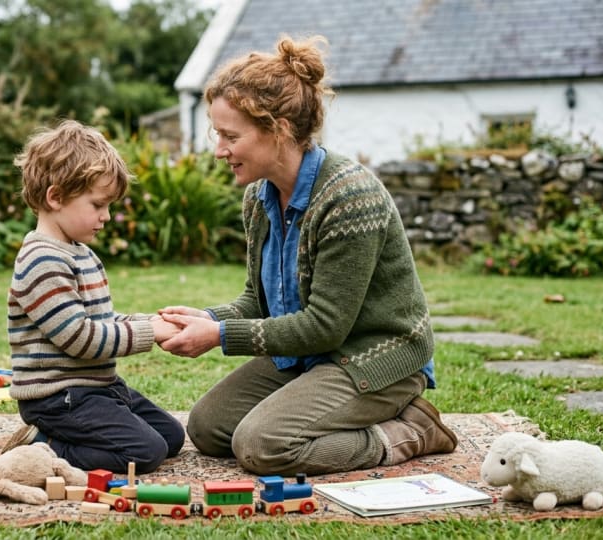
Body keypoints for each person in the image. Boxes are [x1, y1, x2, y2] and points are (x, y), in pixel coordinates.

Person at [158, 35, 458, 477]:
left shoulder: (348, 197)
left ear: (277, 130)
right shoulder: (259, 198)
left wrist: (220, 336)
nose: (219, 150)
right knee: (208, 428)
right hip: (311, 356)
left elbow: (326, 325)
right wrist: (203, 319)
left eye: (229, 136)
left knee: (262, 447)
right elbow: (258, 302)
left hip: (374, 357)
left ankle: (409, 430)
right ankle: (325, 408)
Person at [3, 119, 184, 474]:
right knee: (146, 453)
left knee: (171, 437)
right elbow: (82, 339)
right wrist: (151, 334)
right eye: (98, 205)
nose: (107, 216)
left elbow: (99, 322)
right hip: (57, 398)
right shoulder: (42, 260)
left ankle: (65, 438)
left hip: (95, 388)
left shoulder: (79, 251)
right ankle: (45, 446)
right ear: (55, 197)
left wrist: (150, 322)